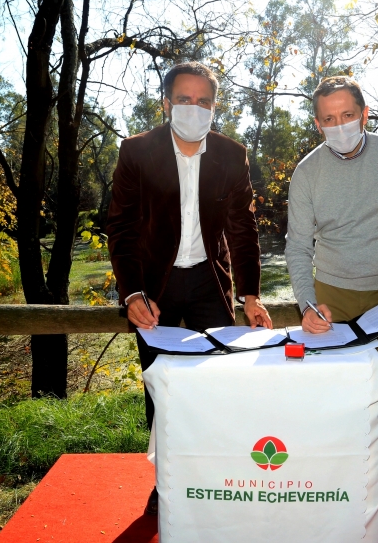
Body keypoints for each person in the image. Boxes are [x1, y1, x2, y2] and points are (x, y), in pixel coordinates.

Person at [106, 61, 273, 516]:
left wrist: (251, 296)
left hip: (207, 282)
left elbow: (243, 229)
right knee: (161, 389)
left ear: (214, 107)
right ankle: (167, 482)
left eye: (204, 101)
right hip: (154, 285)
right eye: (184, 100)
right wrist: (132, 292)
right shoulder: (137, 151)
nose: (193, 109)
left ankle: (217, 479)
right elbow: (119, 229)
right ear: (166, 103)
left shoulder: (230, 154)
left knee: (219, 383)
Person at [284, 76, 378, 531]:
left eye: (347, 115)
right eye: (329, 119)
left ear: (365, 113)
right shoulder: (307, 173)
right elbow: (297, 248)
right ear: (318, 124)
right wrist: (307, 304)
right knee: (333, 395)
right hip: (330, 297)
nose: (340, 125)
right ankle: (337, 485)